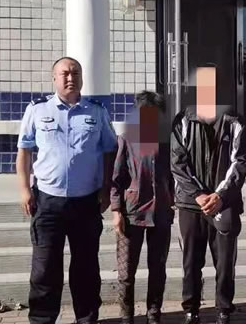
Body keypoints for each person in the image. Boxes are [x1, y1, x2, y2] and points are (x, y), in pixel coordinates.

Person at [16, 57, 117, 324]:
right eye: (65, 73)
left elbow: (110, 151)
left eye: (75, 73)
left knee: (86, 268)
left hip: (86, 202)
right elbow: (24, 151)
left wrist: (106, 188)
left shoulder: (97, 111)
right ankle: (42, 319)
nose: (70, 78)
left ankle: (87, 318)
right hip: (48, 202)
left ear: (82, 78)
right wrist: (24, 189)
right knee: (45, 268)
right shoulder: (37, 109)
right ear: (54, 78)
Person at [170, 66, 246, 324]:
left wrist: (219, 195)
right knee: (191, 262)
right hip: (190, 204)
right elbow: (177, 163)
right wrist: (199, 195)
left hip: (224, 204)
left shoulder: (234, 121)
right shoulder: (183, 120)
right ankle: (191, 310)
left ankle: (224, 310)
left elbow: (239, 162)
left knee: (225, 263)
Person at [111, 91, 174, 324]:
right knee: (126, 272)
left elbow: (175, 174)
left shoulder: (168, 141)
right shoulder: (126, 140)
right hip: (132, 212)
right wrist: (116, 211)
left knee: (158, 268)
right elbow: (116, 178)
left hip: (161, 213)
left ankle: (154, 313)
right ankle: (126, 316)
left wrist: (172, 198)